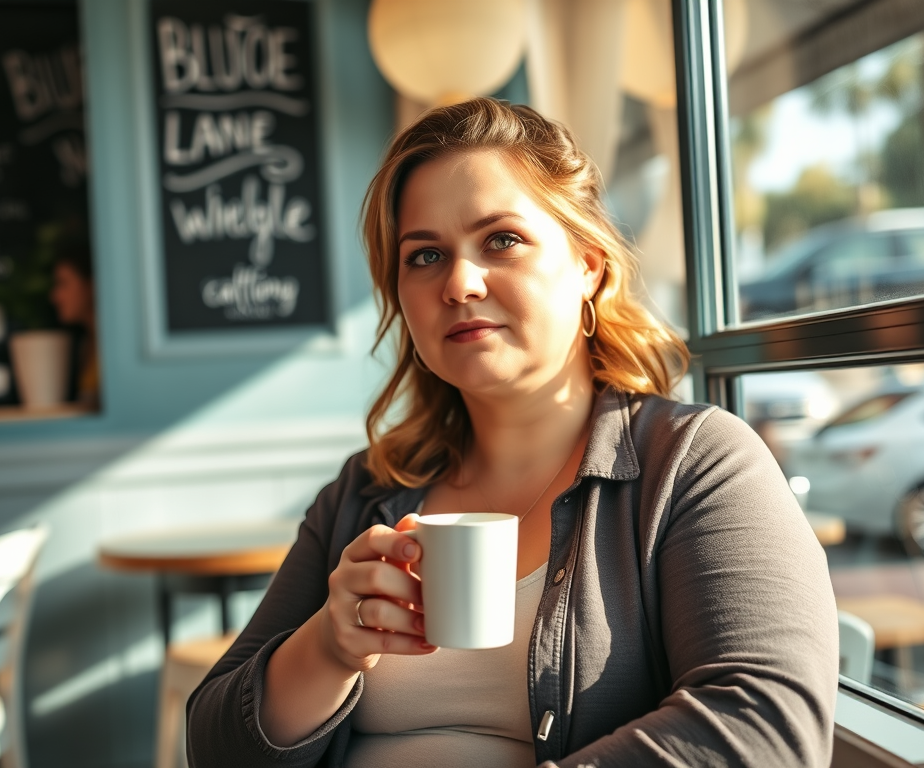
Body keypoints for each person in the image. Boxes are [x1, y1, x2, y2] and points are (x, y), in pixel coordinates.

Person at [186, 98, 838, 768]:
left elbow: (766, 725)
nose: (460, 283)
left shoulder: (696, 463)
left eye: (501, 240)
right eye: (426, 255)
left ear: (588, 264)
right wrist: (327, 647)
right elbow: (212, 744)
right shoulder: (368, 488)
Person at [49, 244, 99, 408]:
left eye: (63, 283)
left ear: (90, 285)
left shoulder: (117, 346)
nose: (55, 297)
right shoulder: (87, 344)